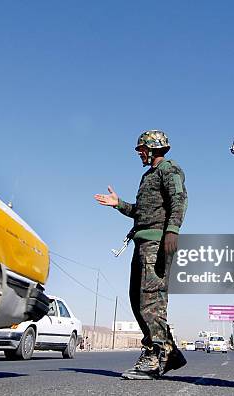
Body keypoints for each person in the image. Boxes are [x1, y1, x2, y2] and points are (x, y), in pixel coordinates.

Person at [94, 130, 188, 380]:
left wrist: (173, 231)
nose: (140, 153)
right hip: (143, 243)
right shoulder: (148, 176)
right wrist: (119, 204)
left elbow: (179, 200)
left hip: (158, 244)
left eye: (142, 149)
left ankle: (156, 355)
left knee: (151, 301)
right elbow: (141, 212)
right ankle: (170, 352)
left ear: (154, 148)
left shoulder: (170, 169)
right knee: (137, 299)